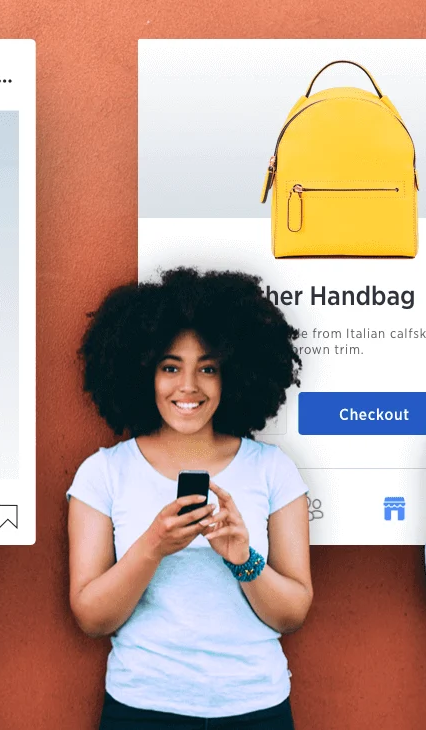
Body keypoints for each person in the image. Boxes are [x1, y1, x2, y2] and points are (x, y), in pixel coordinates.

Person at [68, 267, 313, 729]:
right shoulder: (103, 473)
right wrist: (153, 546)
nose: (188, 387)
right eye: (170, 367)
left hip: (254, 707)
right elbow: (91, 617)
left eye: (207, 368)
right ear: (143, 372)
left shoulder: (272, 468)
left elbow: (293, 613)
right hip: (142, 707)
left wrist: (244, 559)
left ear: (233, 375)